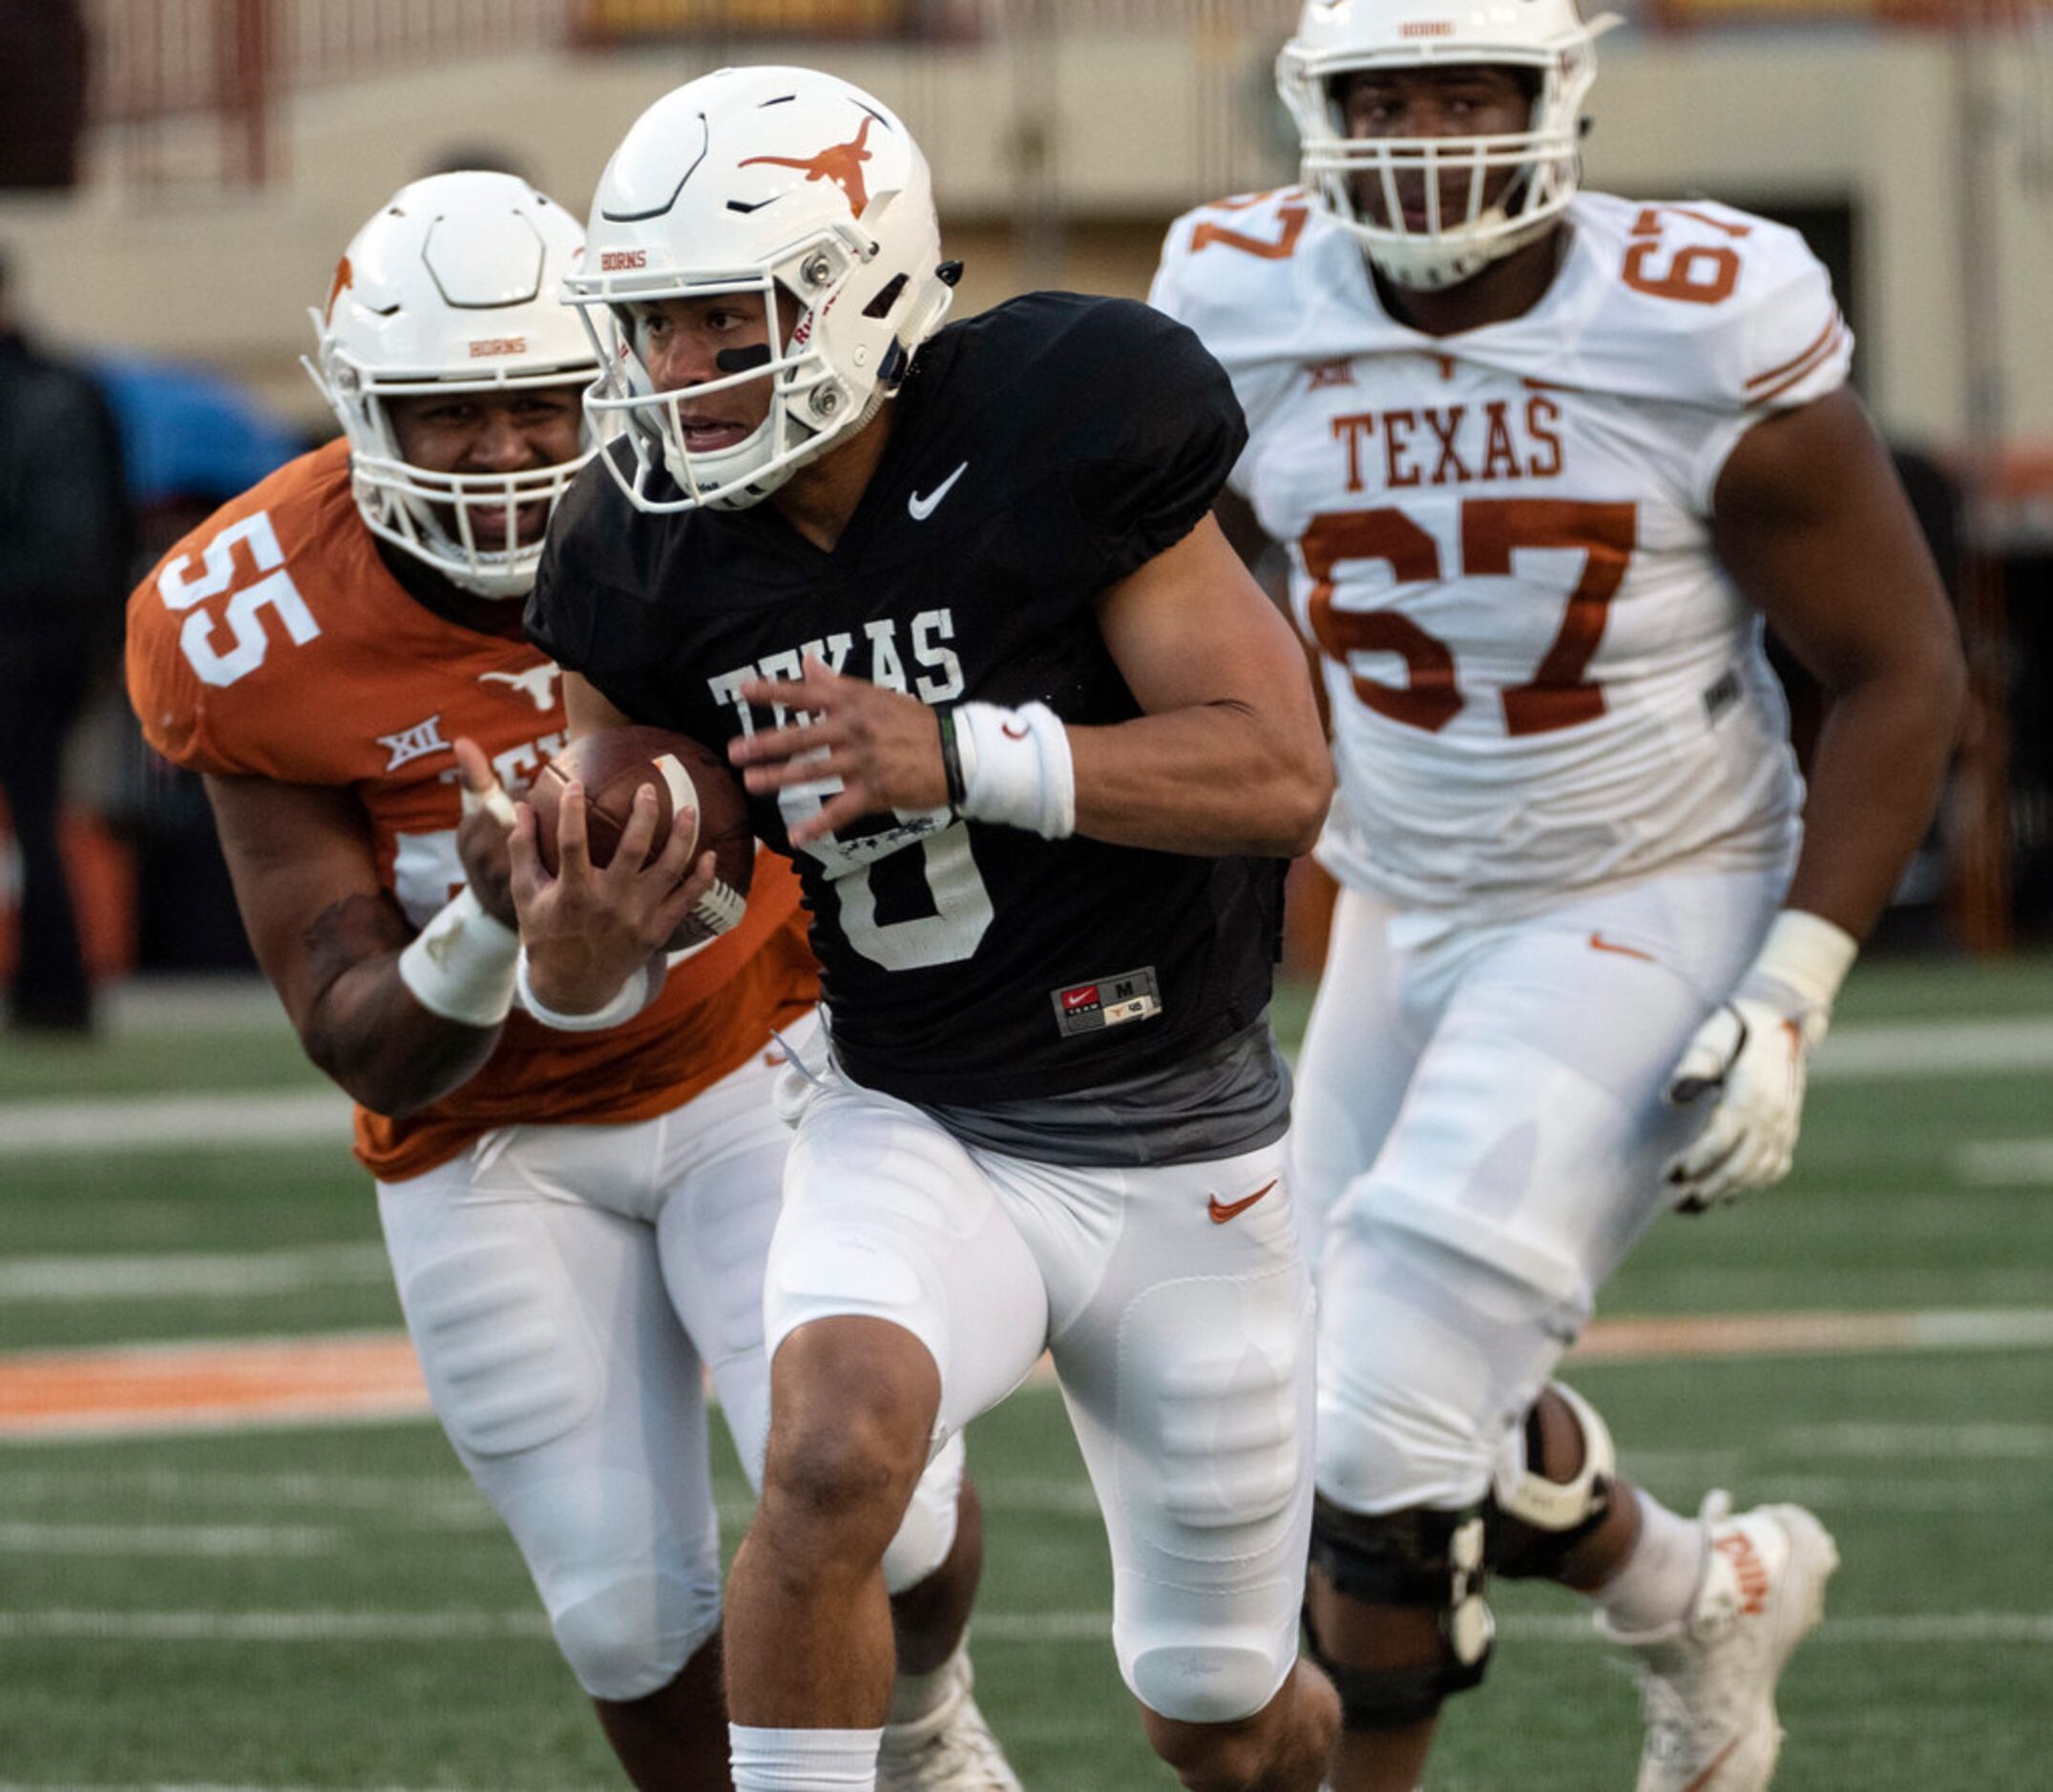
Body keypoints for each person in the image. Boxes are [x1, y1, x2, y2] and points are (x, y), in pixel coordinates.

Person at [1150, 5, 1966, 1790]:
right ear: (1313, 106)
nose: (1428, 134)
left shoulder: (1696, 317)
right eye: (1385, 96)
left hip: (1649, 888)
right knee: (1302, 1407)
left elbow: (1900, 665)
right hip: (1398, 893)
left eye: (1469, 92)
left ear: (1560, 101)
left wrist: (1796, 983)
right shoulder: (1236, 296)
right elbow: (1157, 596)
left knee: (1382, 1415)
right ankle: (1696, 1586)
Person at [124, 171, 1015, 1792]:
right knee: (623, 1616)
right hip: (491, 1140)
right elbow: (369, 1048)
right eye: (444, 412)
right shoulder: (241, 616)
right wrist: (490, 929)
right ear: (353, 406)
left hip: (758, 1062)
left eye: (536, 402)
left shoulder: (730, 491)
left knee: (898, 1511)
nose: (500, 452)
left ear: (607, 376)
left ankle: (930, 1725)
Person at [519, 65, 1342, 1792]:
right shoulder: (637, 551)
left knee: (1221, 1713)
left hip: (1188, 1139)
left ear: (856, 285)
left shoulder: (1061, 415)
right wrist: (578, 939)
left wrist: (964, 751)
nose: (677, 375)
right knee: (826, 1452)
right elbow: (642, 905)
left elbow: (1275, 772)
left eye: (719, 322)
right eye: (652, 329)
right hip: (920, 1116)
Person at [0, 245, 135, 1033]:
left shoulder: (53, 395)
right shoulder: (76, 391)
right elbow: (113, 525)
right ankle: (56, 991)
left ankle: (52, 988)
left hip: (25, 632)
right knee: (43, 809)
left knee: (41, 812)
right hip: (63, 637)